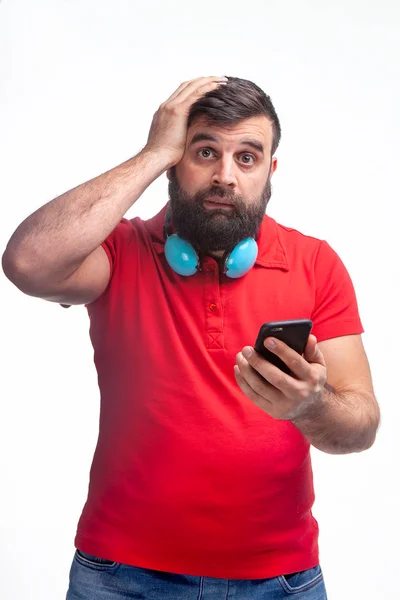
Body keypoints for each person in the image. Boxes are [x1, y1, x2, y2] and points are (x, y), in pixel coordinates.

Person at [2, 75, 380, 600]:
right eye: (205, 151)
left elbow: (359, 430)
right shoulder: (120, 251)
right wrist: (152, 151)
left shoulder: (316, 263)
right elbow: (26, 263)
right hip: (118, 576)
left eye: (247, 158)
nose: (225, 175)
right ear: (176, 161)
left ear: (270, 172)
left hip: (280, 582)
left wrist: (310, 404)